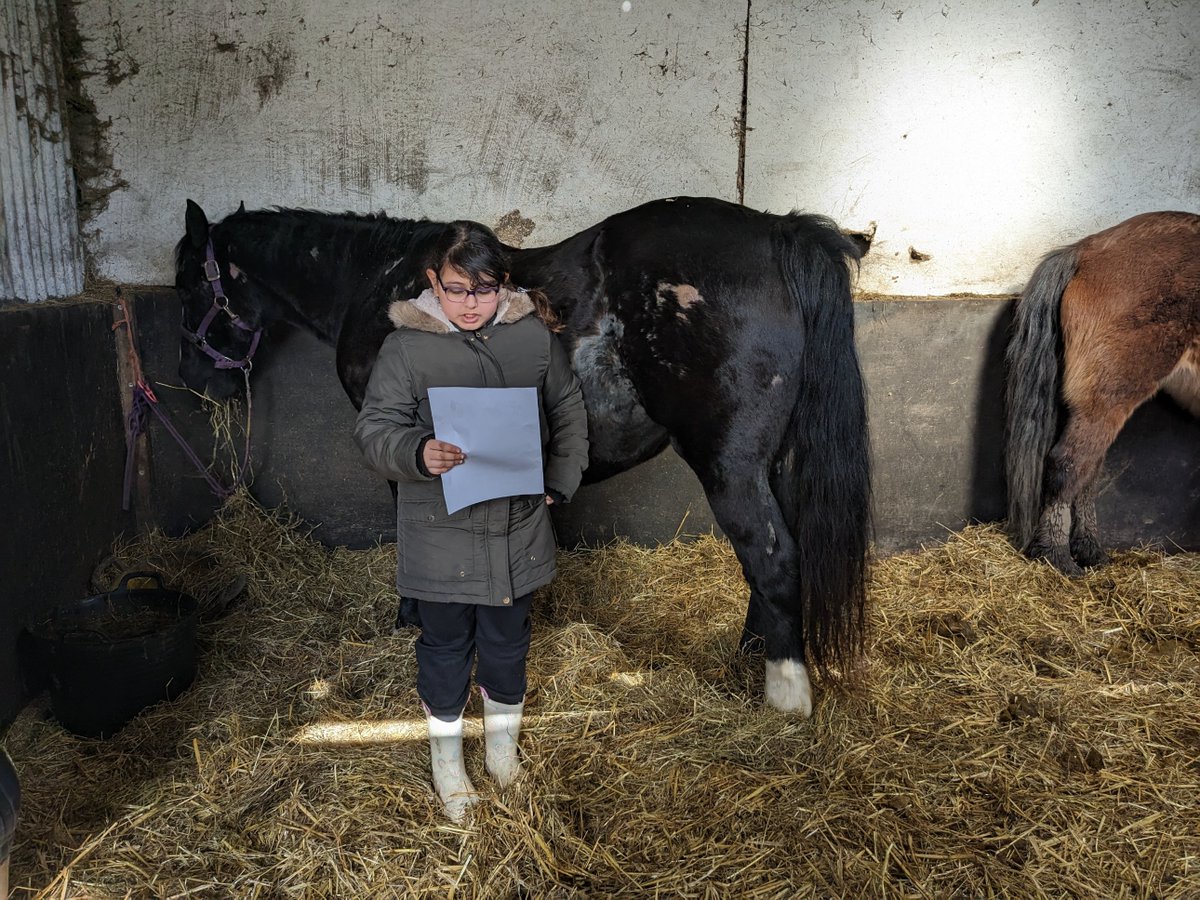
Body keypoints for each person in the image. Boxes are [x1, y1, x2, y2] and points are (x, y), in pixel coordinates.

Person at [354, 220, 589, 823]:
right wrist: (417, 452)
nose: (470, 304)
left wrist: (559, 480)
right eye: (456, 290)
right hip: (441, 536)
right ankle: (448, 764)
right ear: (434, 282)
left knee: (508, 644)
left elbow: (566, 405)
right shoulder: (406, 348)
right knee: (444, 647)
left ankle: (502, 754)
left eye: (483, 290)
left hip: (517, 529)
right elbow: (375, 428)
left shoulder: (530, 337)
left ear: (503, 283)